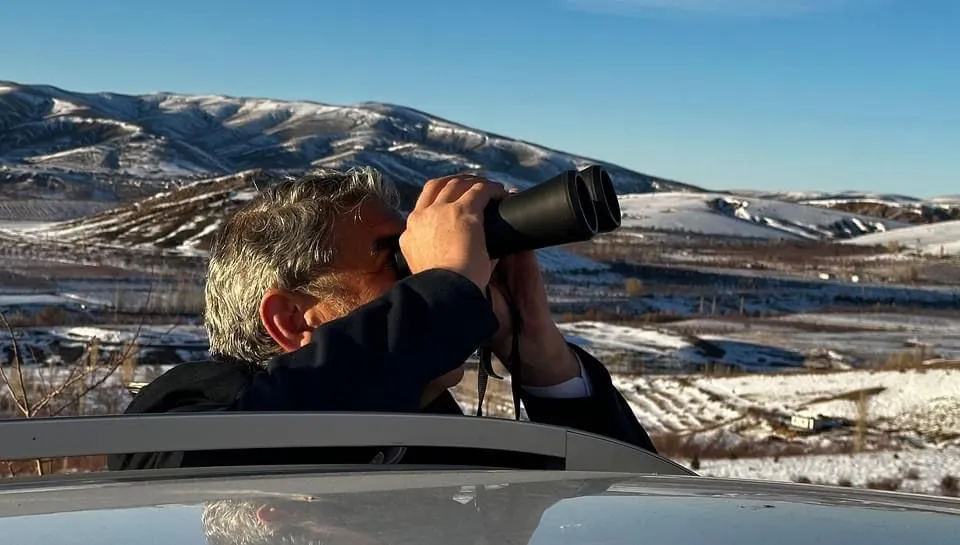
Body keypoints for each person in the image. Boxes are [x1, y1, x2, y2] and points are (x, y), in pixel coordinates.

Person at [106, 167, 657, 471]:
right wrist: (445, 292)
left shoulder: (455, 444)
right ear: (292, 318)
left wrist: (543, 358)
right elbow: (193, 474)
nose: (423, 273)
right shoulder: (185, 414)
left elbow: (634, 512)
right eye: (397, 256)